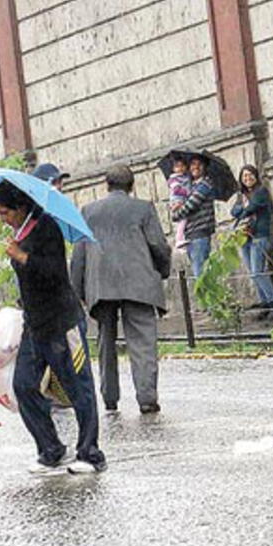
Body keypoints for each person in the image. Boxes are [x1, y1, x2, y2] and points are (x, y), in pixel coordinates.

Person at [0, 181, 106, 475]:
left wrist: (22, 257)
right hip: (35, 325)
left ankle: (90, 453)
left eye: (5, 212)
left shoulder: (46, 228)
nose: (2, 218)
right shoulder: (21, 231)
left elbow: (54, 273)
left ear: (20, 207)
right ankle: (50, 448)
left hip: (62, 321)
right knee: (24, 386)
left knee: (78, 387)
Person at [71, 165, 173, 414]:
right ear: (131, 185)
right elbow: (158, 245)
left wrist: (78, 290)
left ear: (106, 185)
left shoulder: (88, 211)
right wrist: (162, 270)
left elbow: (79, 255)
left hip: (100, 285)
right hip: (138, 283)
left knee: (105, 341)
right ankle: (147, 398)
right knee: (143, 342)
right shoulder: (143, 208)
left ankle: (109, 397)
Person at [231, 165, 273, 320]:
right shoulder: (242, 195)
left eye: (250, 175)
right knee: (253, 274)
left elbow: (250, 209)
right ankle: (265, 303)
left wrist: (243, 208)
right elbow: (233, 211)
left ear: (256, 176)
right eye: (244, 176)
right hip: (244, 236)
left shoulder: (261, 192)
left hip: (259, 235)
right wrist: (242, 207)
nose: (247, 179)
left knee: (258, 271)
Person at [171, 156, 217, 279]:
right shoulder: (189, 185)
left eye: (199, 164)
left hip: (200, 234)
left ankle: (206, 298)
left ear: (205, 167)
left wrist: (176, 212)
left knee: (200, 276)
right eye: (192, 164)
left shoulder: (205, 184)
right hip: (190, 235)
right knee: (199, 275)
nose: (195, 167)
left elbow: (189, 206)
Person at [167, 156, 192, 252]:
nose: (180, 168)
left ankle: (182, 240)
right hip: (177, 200)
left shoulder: (186, 177)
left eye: (182, 166)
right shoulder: (173, 179)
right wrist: (187, 192)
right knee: (183, 220)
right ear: (173, 169)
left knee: (184, 220)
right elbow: (177, 189)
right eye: (177, 166)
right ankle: (179, 239)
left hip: (183, 201)